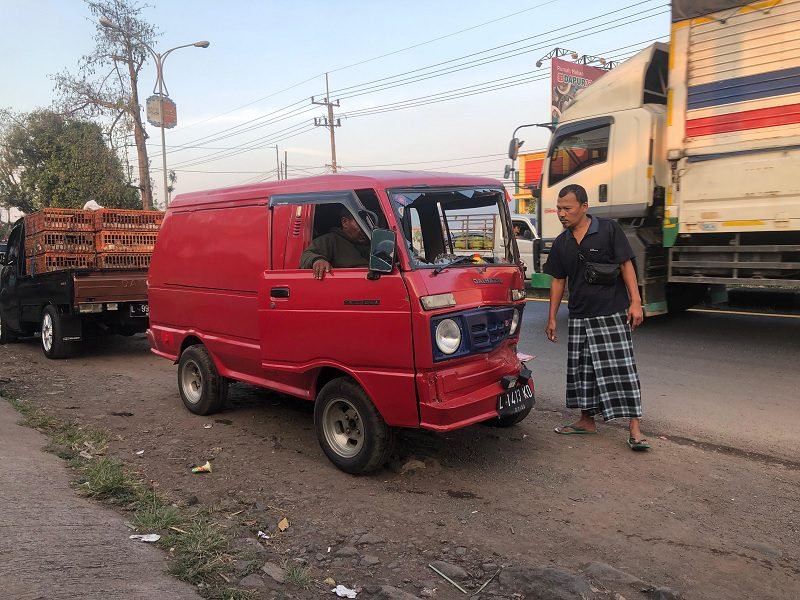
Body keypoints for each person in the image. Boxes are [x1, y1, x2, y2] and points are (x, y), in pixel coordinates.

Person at [542, 184, 649, 450]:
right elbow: (558, 280)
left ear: (584, 207)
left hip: (611, 311)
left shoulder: (608, 230)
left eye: (567, 208)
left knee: (621, 370)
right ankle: (586, 421)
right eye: (559, 208)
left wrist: (636, 302)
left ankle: (635, 429)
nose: (562, 213)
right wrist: (552, 317)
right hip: (579, 315)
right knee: (583, 372)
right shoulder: (562, 242)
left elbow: (626, 265)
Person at [300, 208, 370, 279]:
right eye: (361, 223)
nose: (365, 228)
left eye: (367, 224)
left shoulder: (373, 242)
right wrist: (317, 260)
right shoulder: (329, 240)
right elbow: (307, 255)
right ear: (345, 222)